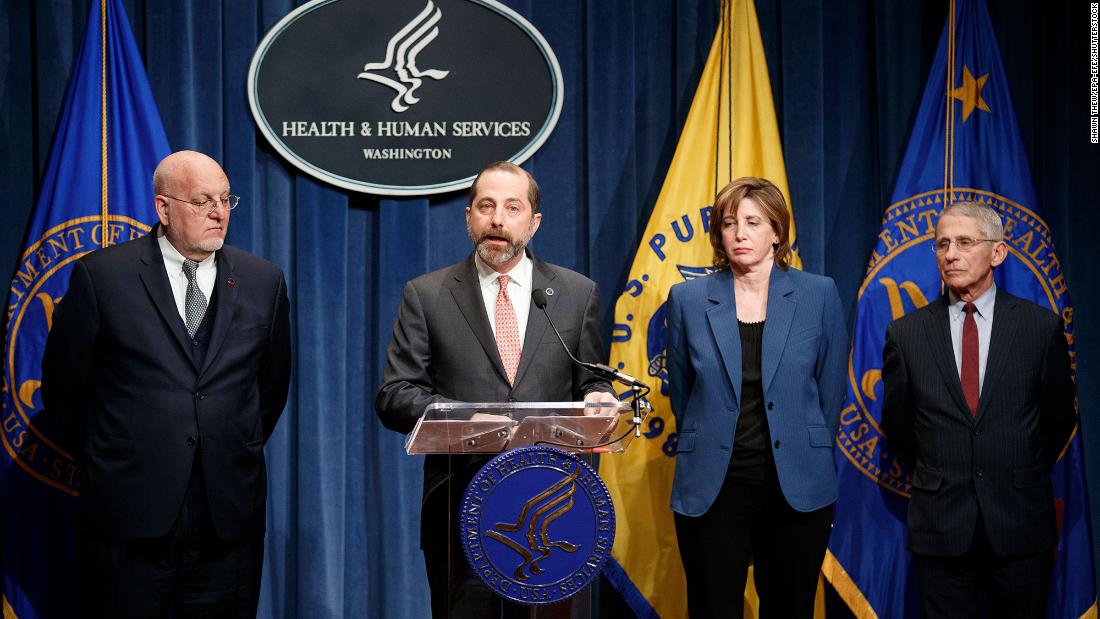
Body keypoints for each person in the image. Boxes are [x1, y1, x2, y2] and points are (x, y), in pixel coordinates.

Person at [41, 150, 292, 617]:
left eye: (225, 200)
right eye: (202, 202)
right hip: (129, 516)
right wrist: (117, 456)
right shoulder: (102, 278)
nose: (219, 213)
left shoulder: (264, 282)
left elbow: (270, 389)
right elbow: (64, 392)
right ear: (163, 208)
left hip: (226, 519)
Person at [375, 161, 617, 617]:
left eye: (512, 207)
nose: (498, 219)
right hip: (458, 507)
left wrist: (597, 398)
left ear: (534, 221)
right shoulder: (427, 295)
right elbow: (395, 395)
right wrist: (466, 418)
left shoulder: (575, 293)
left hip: (552, 507)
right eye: (486, 206)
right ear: (469, 216)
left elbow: (591, 378)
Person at [881, 200, 1076, 618]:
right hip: (942, 528)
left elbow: (1059, 419)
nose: (950, 254)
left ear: (998, 252)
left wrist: (1015, 465)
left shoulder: (1040, 329)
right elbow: (898, 427)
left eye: (965, 242)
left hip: (1020, 525)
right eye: (942, 244)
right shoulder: (906, 334)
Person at [665, 176, 848, 618]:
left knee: (790, 607)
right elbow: (683, 393)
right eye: (729, 224)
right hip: (713, 483)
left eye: (752, 222)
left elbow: (829, 394)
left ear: (777, 233)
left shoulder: (818, 294)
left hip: (796, 484)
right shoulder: (687, 298)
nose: (739, 234)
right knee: (712, 607)